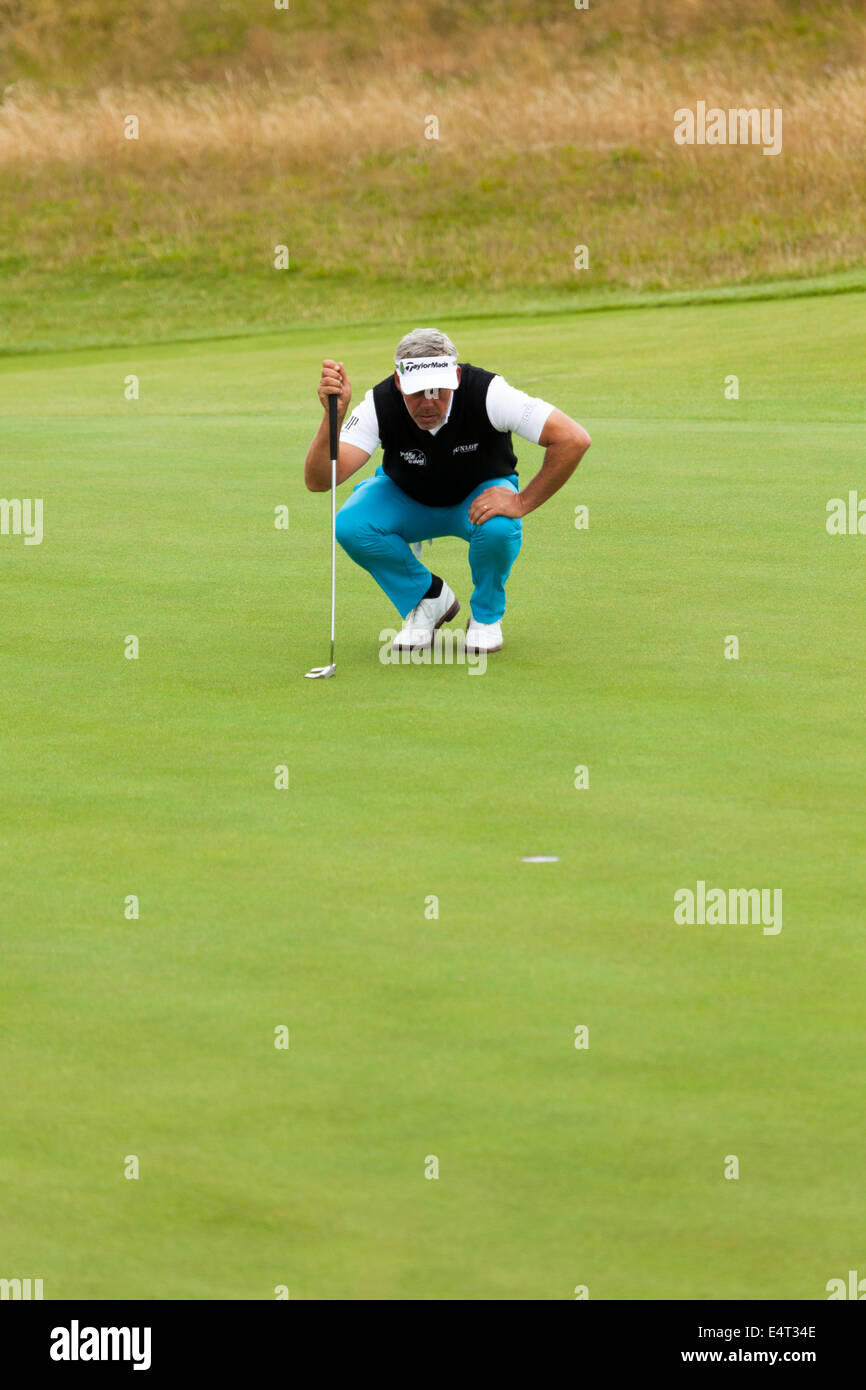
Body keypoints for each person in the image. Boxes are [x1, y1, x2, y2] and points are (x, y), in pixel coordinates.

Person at [304, 327, 591, 654]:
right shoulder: (379, 403)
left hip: (476, 496)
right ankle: (427, 599)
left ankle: (485, 616)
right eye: (416, 392)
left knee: (499, 527)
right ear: (399, 382)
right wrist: (333, 417)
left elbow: (573, 438)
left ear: (455, 376)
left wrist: (522, 501)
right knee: (353, 525)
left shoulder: (489, 393)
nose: (428, 403)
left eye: (438, 390)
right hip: (406, 496)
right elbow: (319, 480)